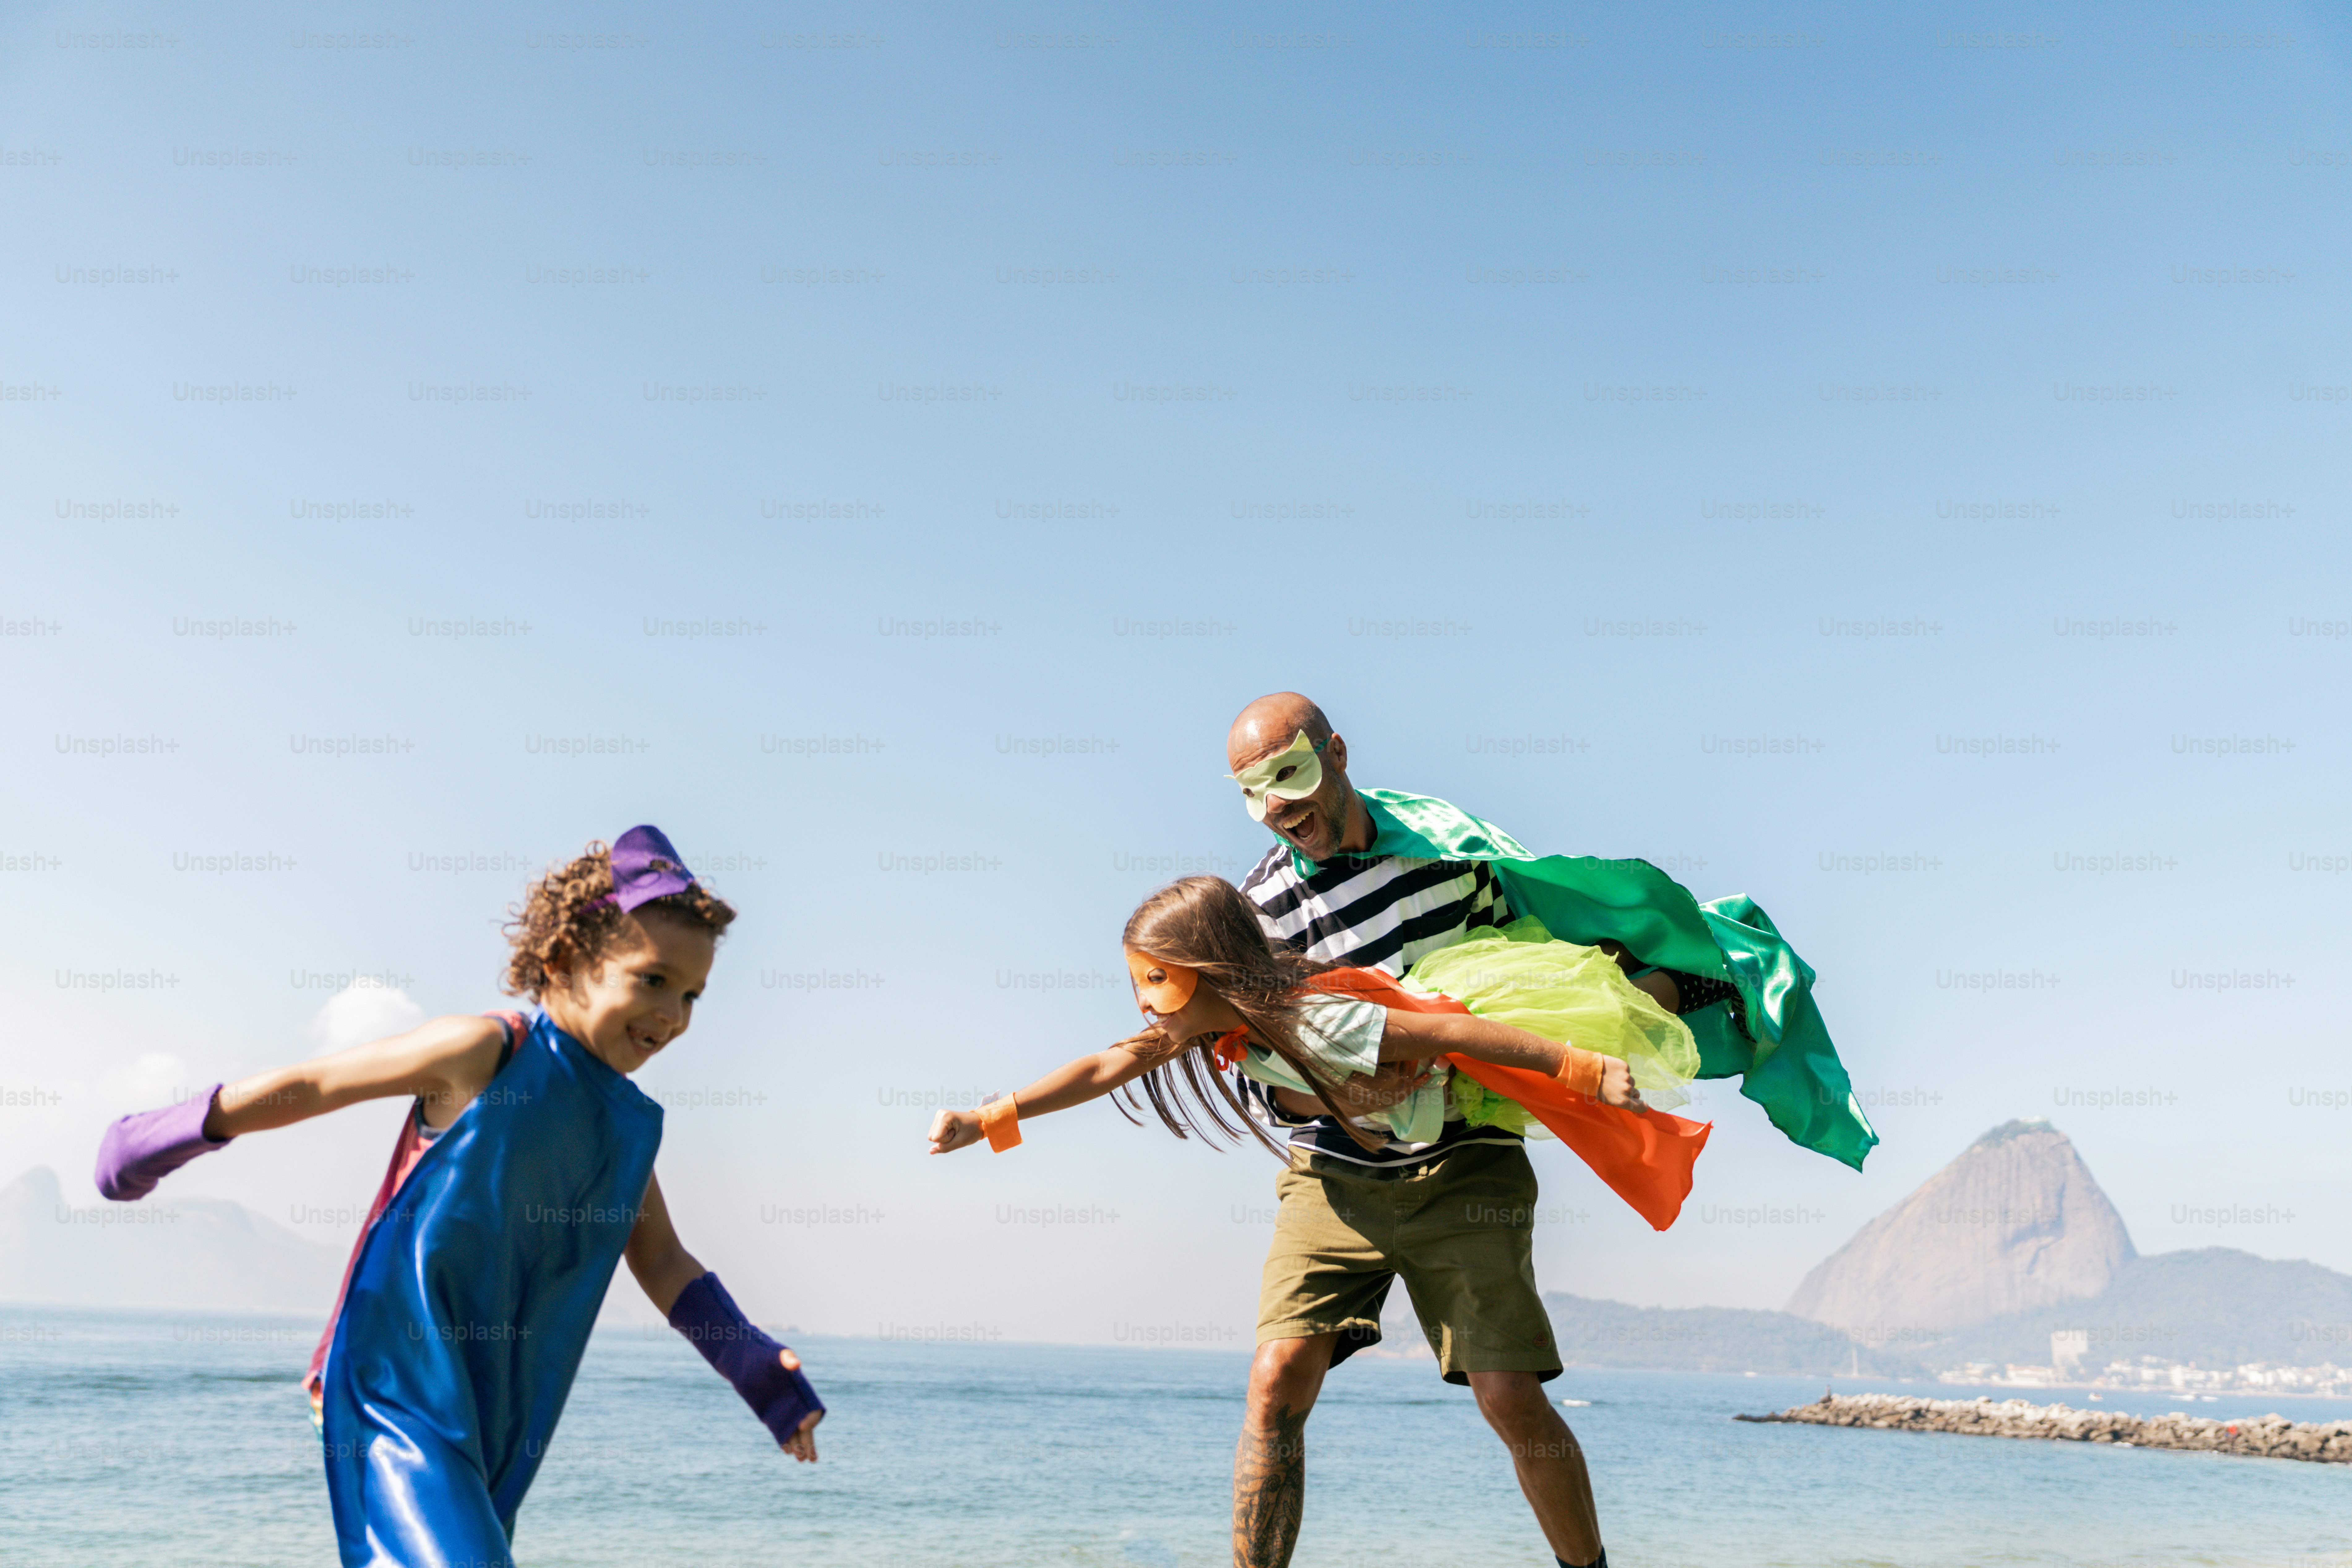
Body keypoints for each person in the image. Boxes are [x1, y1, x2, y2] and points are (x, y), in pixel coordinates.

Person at [1214, 691, 1871, 1568]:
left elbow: (1528, 969)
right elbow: (1262, 1079)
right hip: (1334, 1172)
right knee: (1272, 1386)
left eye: (1291, 778)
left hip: (1467, 1157)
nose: (1278, 809)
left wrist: (1589, 1012)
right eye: (1254, 795)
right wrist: (1347, 1099)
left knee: (1508, 1396)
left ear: (1336, 753)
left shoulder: (1445, 850)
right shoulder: (1258, 910)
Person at [928, 874, 1710, 1568]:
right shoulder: (1221, 1029)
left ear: (1211, 969)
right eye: (1139, 981)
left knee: (1601, 1020)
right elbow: (1108, 1064)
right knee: (1274, 1380)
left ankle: (1687, 979)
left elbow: (1450, 1033)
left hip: (1461, 1127)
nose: (1143, 1001)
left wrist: (1580, 1068)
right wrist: (990, 1117)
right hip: (1348, 1176)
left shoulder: (1320, 1021)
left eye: (1157, 980)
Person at [92, 827, 823, 1568]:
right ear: (565, 960)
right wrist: (158, 1137)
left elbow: (662, 1260)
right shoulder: (488, 1052)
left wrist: (753, 1365)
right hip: (394, 1376)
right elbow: (316, 1084)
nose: (673, 1015)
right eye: (653, 980)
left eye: (692, 995)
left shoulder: (627, 1131)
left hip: (502, 1410)